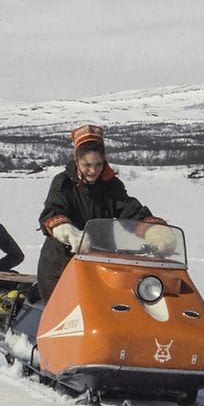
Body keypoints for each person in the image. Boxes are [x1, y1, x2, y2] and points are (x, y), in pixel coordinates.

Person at [37, 124, 167, 301]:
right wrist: (67, 232)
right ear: (77, 160)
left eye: (98, 164)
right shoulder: (63, 183)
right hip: (62, 263)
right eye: (87, 165)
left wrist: (152, 230)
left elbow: (129, 210)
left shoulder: (111, 184)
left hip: (101, 260)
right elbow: (52, 212)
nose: (93, 171)